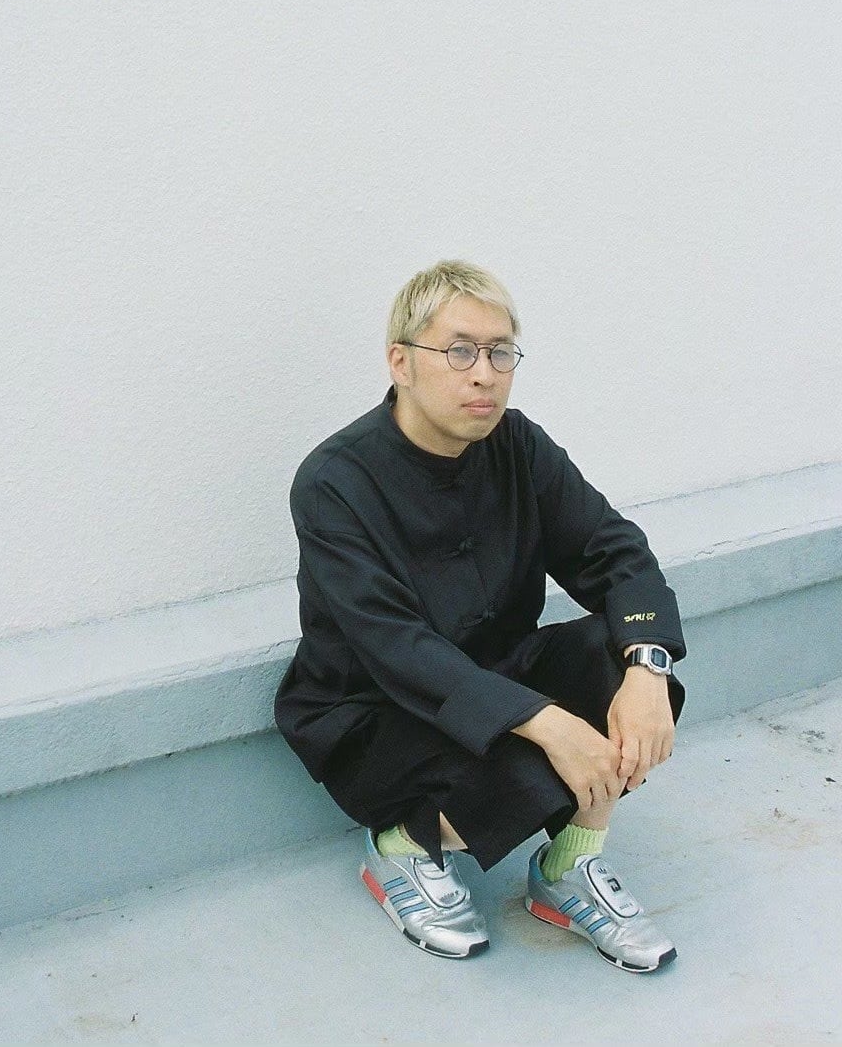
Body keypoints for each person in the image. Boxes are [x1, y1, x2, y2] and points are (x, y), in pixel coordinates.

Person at [274, 259, 685, 970]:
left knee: (619, 663)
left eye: (500, 353)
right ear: (401, 362)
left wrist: (647, 669)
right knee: (536, 771)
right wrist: (551, 723)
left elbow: (613, 549)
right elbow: (396, 646)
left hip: (498, 671)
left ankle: (567, 867)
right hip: (377, 711)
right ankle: (400, 847)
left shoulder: (519, 445)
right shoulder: (334, 482)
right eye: (460, 351)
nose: (484, 375)